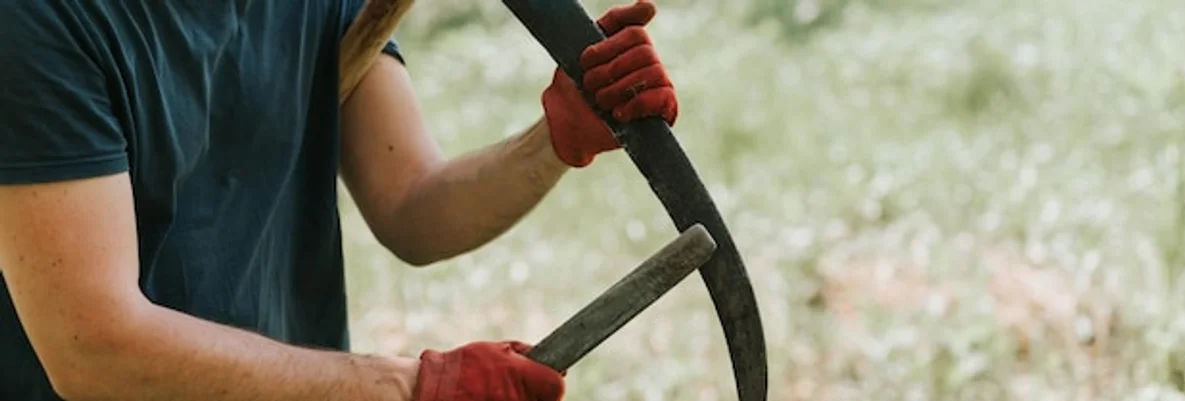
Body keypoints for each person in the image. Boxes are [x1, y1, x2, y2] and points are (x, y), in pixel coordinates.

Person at [0, 0, 678, 400]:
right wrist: (410, 386)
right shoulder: (37, 22)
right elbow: (93, 348)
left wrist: (555, 139)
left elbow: (412, 206)